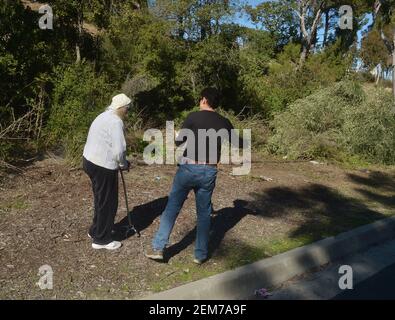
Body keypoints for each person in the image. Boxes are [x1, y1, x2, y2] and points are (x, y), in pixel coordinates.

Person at [145, 87, 247, 264]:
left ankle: (159, 248)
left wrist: (178, 134)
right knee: (204, 213)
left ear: (205, 100)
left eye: (201, 98)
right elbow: (240, 143)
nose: (200, 101)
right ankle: (200, 255)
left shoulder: (193, 117)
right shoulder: (224, 121)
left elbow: (179, 141)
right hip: (209, 170)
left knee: (172, 208)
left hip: (188, 168)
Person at [82, 93, 131, 250]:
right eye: (127, 109)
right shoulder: (116, 122)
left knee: (100, 199)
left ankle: (96, 230)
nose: (128, 112)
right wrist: (123, 164)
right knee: (108, 202)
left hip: (90, 161)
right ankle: (101, 240)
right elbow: (119, 149)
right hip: (102, 165)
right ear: (121, 108)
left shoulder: (103, 116)